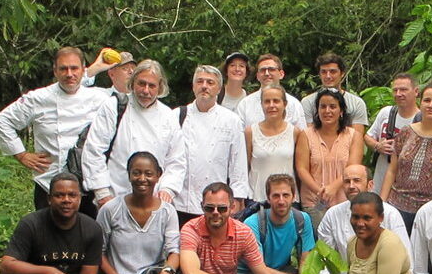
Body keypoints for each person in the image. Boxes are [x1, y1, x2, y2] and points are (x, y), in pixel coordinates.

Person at [0, 47, 111, 215]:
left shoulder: (100, 99)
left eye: (74, 68)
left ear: (83, 70)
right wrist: (21, 154)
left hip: (88, 184)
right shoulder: (38, 98)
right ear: (55, 71)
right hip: (48, 183)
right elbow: (2, 121)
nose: (69, 74)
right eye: (63, 69)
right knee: (48, 238)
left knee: (87, 236)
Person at [0, 173, 104, 274]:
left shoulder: (92, 228)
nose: (66, 200)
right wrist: (48, 272)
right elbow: (6, 266)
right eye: (59, 195)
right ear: (49, 199)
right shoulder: (31, 223)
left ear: (80, 198)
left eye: (72, 195)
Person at [96, 152, 180, 274]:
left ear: (158, 175)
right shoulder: (111, 210)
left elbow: (174, 252)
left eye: (148, 173)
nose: (142, 179)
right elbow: (98, 251)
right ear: (129, 175)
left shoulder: (167, 212)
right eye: (137, 173)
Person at [81, 60, 186, 207]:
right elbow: (94, 150)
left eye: (152, 86)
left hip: (153, 202)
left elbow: (176, 160)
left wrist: (167, 189)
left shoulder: (168, 116)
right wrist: (102, 193)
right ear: (132, 82)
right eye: (141, 84)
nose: (146, 90)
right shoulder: (114, 106)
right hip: (114, 197)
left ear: (160, 87)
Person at [381, 83, 432, 233]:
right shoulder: (406, 132)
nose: (431, 105)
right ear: (420, 102)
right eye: (427, 100)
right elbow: (392, 170)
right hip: (397, 206)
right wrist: (382, 204)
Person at [173, 65, 250, 224]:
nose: (204, 86)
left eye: (210, 82)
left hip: (216, 206)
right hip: (180, 202)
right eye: (200, 81)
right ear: (193, 86)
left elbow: (238, 162)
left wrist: (237, 196)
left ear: (219, 88)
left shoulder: (231, 120)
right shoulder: (177, 116)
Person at [316, 164, 410, 274]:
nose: (351, 186)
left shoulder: (389, 214)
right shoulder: (332, 215)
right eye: (347, 181)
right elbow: (324, 261)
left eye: (357, 180)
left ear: (370, 185)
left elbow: (406, 258)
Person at [240, 174, 316, 274]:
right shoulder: (253, 223)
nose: (281, 201)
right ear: (268, 198)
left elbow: (305, 260)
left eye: (286, 195)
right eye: (276, 196)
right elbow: (261, 271)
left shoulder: (302, 219)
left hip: (281, 271)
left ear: (294, 197)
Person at [295, 88, 365, 228]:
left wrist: (333, 188)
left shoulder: (353, 136)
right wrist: (320, 192)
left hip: (345, 200)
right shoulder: (306, 135)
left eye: (332, 106)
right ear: (317, 110)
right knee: (320, 245)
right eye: (323, 106)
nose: (327, 111)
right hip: (314, 203)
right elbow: (301, 168)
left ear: (341, 111)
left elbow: (352, 168)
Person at [245, 84, 301, 203]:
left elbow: (298, 168)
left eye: (276, 101)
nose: (271, 105)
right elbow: (245, 166)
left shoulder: (295, 132)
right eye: (267, 101)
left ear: (284, 104)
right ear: (261, 104)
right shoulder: (250, 132)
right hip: (257, 198)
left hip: (286, 200)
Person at [364, 73, 420, 191]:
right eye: (395, 90)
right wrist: (377, 146)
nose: (398, 94)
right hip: (380, 180)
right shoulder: (387, 113)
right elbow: (368, 136)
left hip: (407, 186)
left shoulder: (422, 119)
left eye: (404, 90)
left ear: (416, 91)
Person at [300, 52, 369, 135]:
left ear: (342, 73)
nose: (328, 76)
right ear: (319, 74)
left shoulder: (357, 103)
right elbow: (308, 135)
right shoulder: (307, 102)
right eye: (324, 72)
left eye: (333, 72)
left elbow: (357, 137)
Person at [235, 54, 308, 129]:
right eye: (263, 70)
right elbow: (238, 135)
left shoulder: (294, 104)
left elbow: (302, 135)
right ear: (257, 76)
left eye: (271, 69)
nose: (267, 73)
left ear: (281, 74)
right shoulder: (245, 105)